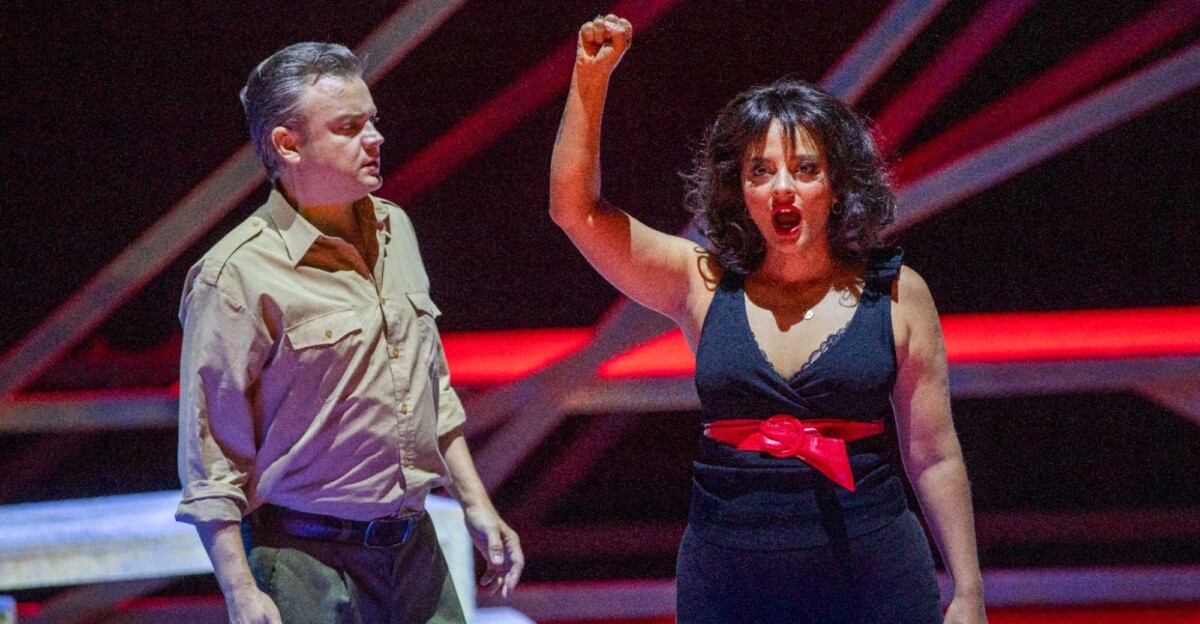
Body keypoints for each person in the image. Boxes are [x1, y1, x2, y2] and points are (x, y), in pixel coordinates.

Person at [550, 15, 987, 624]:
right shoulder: (698, 283)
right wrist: (590, 81)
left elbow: (934, 453)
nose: (783, 188)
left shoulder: (898, 295)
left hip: (875, 572)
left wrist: (968, 592)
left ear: (837, 185)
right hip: (730, 576)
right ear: (740, 189)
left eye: (805, 169)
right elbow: (574, 210)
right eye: (761, 171)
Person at [176, 42, 522, 624]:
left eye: (373, 121)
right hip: (307, 564)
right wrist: (240, 592)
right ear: (288, 144)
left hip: (413, 551)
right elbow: (211, 457)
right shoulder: (234, 274)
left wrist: (475, 505)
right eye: (349, 126)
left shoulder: (396, 229)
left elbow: (431, 389)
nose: (375, 137)